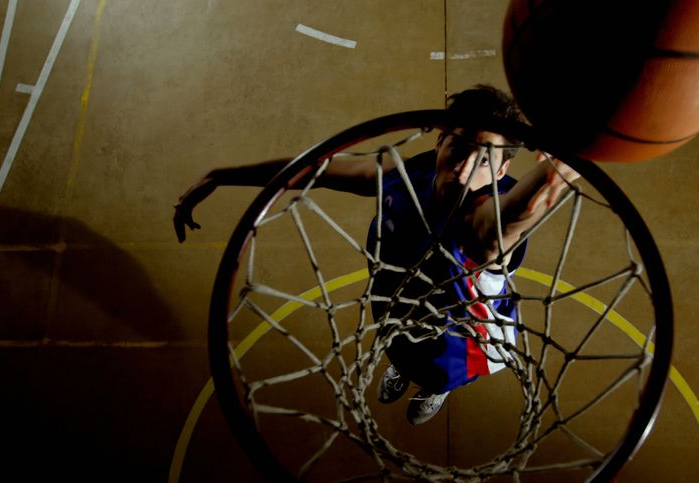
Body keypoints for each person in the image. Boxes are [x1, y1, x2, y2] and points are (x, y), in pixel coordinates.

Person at [174, 85, 578, 424]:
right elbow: (319, 169)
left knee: (436, 373)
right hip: (395, 310)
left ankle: (435, 390)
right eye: (459, 145)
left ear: (503, 169)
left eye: (486, 156)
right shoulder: (410, 174)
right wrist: (222, 176)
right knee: (399, 350)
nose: (466, 164)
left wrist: (564, 165)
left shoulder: (483, 225)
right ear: (440, 139)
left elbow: (519, 212)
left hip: (458, 344)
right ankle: (401, 367)